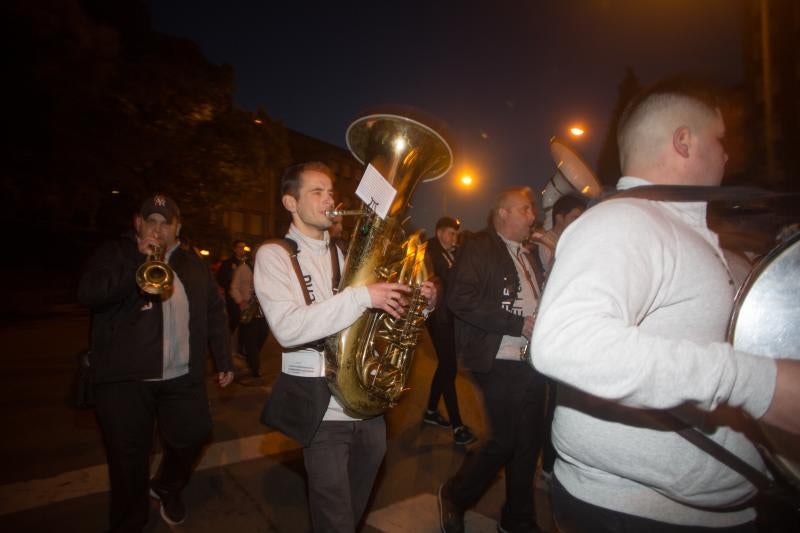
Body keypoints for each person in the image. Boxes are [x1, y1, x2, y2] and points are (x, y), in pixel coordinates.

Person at [531, 80, 800, 532]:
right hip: (635, 515)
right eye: (719, 140)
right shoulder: (626, 219)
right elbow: (565, 341)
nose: (728, 155)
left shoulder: (670, 228)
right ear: (683, 140)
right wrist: (758, 384)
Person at [253, 161, 437, 532]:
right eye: (316, 192)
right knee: (335, 519)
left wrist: (419, 300)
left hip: (367, 410)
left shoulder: (345, 255)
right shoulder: (273, 255)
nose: (329, 199)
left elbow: (380, 320)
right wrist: (360, 297)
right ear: (291, 203)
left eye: (331, 192)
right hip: (321, 411)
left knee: (350, 515)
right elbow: (288, 329)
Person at [78, 194, 234, 531]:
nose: (158, 228)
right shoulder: (115, 253)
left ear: (178, 227)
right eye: (152, 221)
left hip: (181, 377)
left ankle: (166, 485)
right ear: (138, 223)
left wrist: (223, 357)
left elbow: (213, 313)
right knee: (127, 464)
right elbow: (89, 294)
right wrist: (138, 263)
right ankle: (129, 524)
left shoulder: (194, 264)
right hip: (124, 381)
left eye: (166, 222)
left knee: (195, 435)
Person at [439, 187, 548, 533]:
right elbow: (459, 298)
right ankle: (455, 495)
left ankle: (518, 520)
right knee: (505, 440)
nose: (533, 216)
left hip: (531, 361)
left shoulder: (527, 253)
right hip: (498, 356)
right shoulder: (479, 245)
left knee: (528, 445)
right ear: (502, 213)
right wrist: (517, 323)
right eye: (525, 210)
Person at [422, 216, 476, 446]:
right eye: (451, 233)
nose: (454, 238)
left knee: (446, 366)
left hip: (450, 316)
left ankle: (431, 412)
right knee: (449, 367)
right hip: (438, 317)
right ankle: (457, 426)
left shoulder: (451, 252)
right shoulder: (430, 252)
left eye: (455, 234)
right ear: (440, 232)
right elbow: (445, 279)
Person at [229, 252, 269, 381]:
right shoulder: (242, 269)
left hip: (263, 309)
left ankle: (251, 356)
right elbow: (233, 287)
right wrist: (240, 300)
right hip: (248, 308)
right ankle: (255, 367)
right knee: (250, 339)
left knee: (263, 334)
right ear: (253, 256)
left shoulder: (266, 268)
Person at [533, 193, 587, 271]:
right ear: (559, 218)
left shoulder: (572, 241)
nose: (579, 222)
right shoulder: (545, 244)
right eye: (575, 218)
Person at [217, 239, 247, 332]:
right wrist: (230, 286)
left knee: (245, 321)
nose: (242, 249)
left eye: (243, 247)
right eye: (240, 247)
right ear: (234, 249)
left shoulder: (247, 263)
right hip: (232, 296)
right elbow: (221, 279)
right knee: (234, 318)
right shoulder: (227, 263)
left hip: (245, 295)